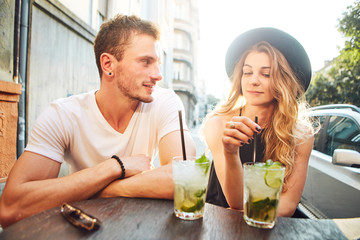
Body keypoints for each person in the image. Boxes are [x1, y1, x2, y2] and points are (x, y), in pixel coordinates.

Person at [0, 14, 196, 228]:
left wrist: (96, 190)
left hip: (139, 227)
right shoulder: (64, 114)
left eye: (157, 63)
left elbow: (186, 179)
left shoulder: (164, 101)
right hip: (81, 229)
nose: (158, 75)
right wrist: (114, 167)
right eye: (146, 62)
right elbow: (11, 208)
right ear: (108, 64)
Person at [204, 27, 314, 217]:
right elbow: (236, 202)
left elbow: (287, 206)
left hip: (270, 228)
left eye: (266, 74)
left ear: (283, 81)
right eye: (247, 73)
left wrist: (252, 216)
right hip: (220, 226)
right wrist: (230, 152)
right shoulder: (218, 124)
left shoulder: (301, 133)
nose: (253, 81)